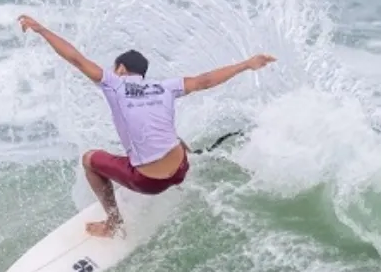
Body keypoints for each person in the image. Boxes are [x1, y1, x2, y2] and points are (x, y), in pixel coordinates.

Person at [18, 14, 276, 238]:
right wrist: (246, 64)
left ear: (120, 68)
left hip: (148, 183)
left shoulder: (113, 83)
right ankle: (190, 163)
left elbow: (75, 58)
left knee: (88, 160)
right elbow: (205, 80)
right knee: (167, 131)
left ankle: (114, 223)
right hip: (180, 169)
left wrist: (41, 29)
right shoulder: (165, 87)